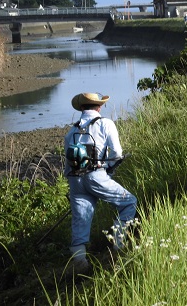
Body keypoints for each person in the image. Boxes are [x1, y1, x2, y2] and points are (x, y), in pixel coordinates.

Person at [64, 92, 137, 274]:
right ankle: (118, 246)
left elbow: (67, 160)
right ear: (99, 107)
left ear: (81, 108)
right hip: (96, 175)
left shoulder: (71, 131)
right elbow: (117, 152)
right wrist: (109, 168)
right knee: (128, 202)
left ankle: (80, 262)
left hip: (75, 179)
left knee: (80, 219)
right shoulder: (105, 123)